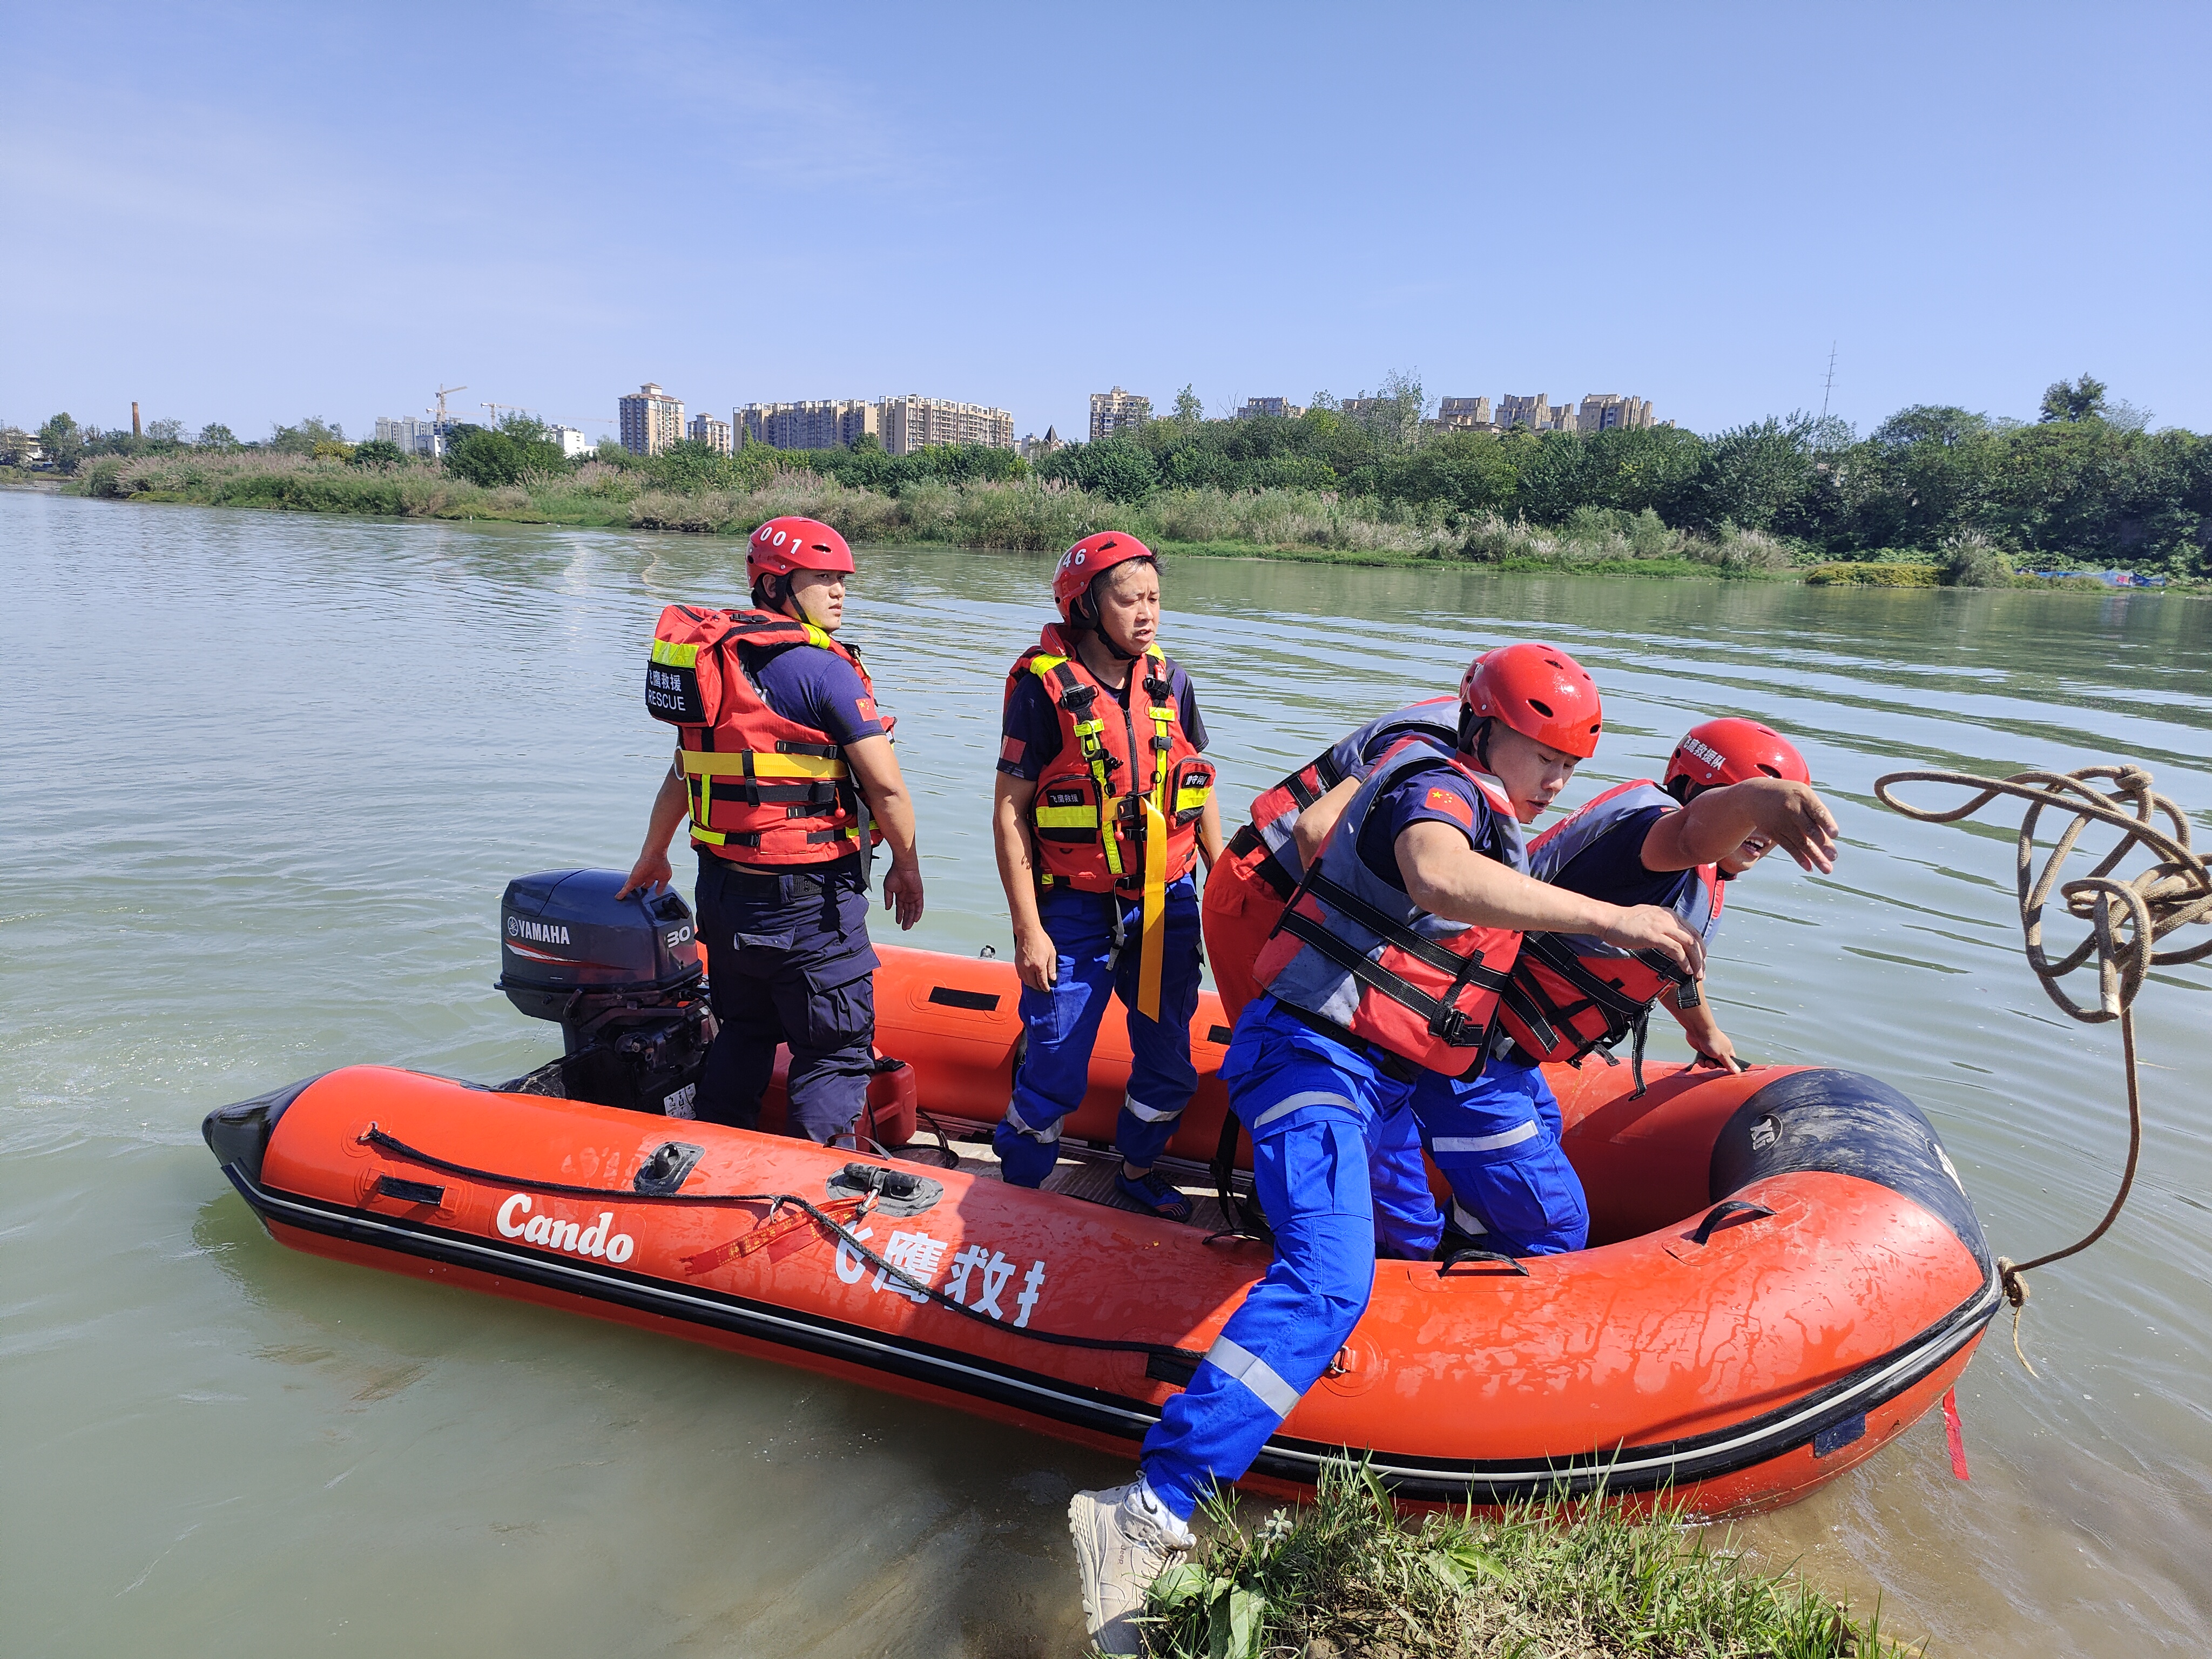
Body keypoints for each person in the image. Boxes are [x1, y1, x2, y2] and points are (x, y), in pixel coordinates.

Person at [1068, 644, 1703, 1655]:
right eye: (1544, 755)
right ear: (1486, 729)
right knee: (1330, 1277)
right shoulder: (1433, 783)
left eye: (1571, 766)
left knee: (1402, 1245)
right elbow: (1435, 875)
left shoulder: (1492, 815)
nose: (1557, 784)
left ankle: (1344, 1417)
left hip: (1386, 1073)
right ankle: (1151, 1502)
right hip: (1309, 1055)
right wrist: (1614, 915)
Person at [617, 516, 924, 1142]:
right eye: (822, 579)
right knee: (834, 1051)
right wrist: (908, 865)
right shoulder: (822, 669)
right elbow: (886, 787)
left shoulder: (713, 664)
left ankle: (717, 1158)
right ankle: (816, 1191)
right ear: (774, 584)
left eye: (842, 580)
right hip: (811, 901)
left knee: (746, 1031)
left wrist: (654, 852)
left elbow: (686, 770)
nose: (839, 592)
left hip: (726, 895)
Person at [992, 532, 1223, 1221]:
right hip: (1073, 904)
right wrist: (1028, 928)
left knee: (1168, 1059)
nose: (1147, 612)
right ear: (1087, 605)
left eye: (1154, 597)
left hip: (1163, 898)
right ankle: (1019, 1189)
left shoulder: (1171, 680)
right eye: (1130, 600)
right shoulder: (1041, 688)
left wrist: (1224, 880)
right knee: (1055, 1057)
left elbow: (1198, 787)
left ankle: (1139, 1169)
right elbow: (1010, 812)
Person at [1202, 695, 1459, 1023]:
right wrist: (1334, 933)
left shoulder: (1447, 722)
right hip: (1262, 892)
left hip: (1266, 880)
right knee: (1275, 1054)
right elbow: (1313, 828)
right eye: (1541, 757)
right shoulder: (1436, 744)